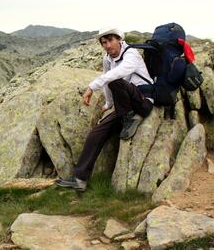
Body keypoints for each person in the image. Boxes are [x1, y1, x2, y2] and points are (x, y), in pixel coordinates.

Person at [56, 28, 154, 191]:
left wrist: (92, 86)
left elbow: (119, 74)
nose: (108, 45)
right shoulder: (108, 59)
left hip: (143, 102)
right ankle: (80, 179)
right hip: (126, 108)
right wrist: (108, 104)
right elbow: (108, 83)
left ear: (119, 39)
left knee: (115, 79)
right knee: (97, 132)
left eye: (110, 40)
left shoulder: (131, 54)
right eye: (104, 42)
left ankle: (130, 118)